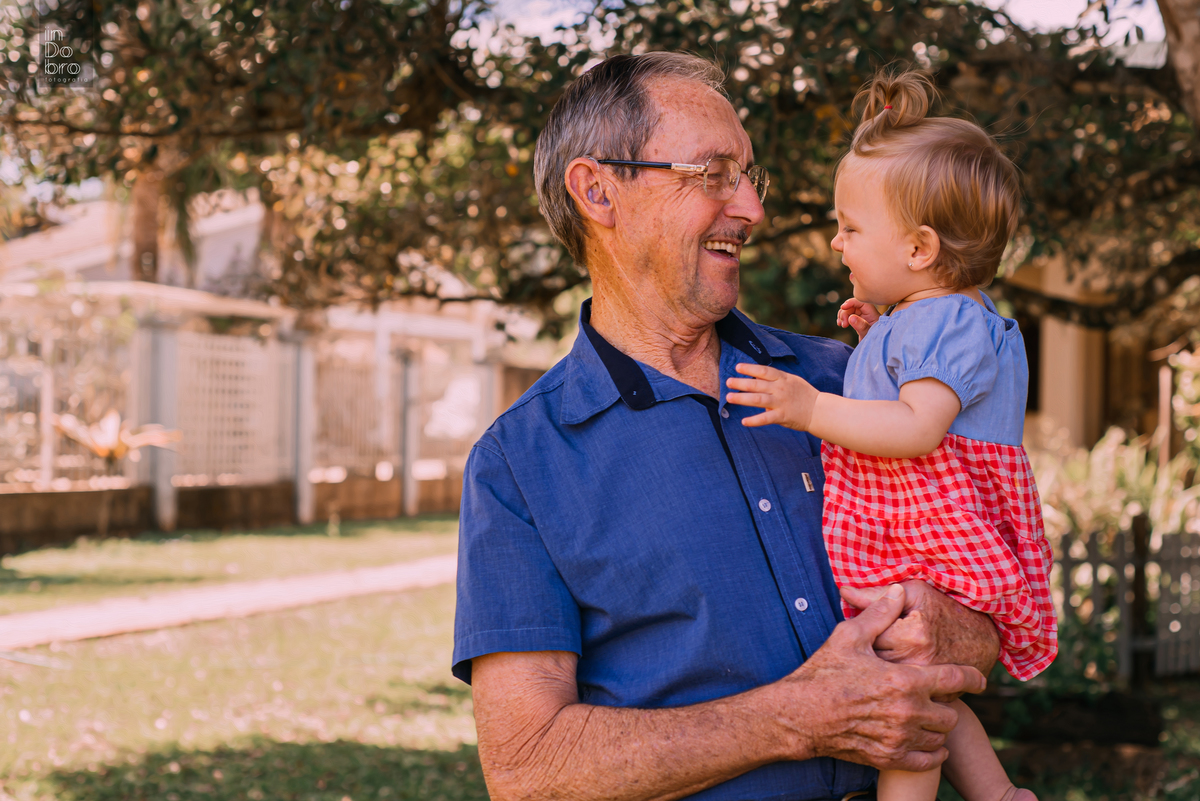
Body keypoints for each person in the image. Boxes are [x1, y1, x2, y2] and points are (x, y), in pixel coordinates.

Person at [453, 52, 1000, 801]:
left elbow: (998, 592)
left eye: (749, 176)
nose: (751, 209)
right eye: (713, 174)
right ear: (598, 191)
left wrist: (947, 624)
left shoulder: (856, 384)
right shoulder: (522, 461)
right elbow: (529, 767)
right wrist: (797, 717)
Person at [725, 70, 1055, 801]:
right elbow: (923, 389)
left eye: (851, 225)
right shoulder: (933, 316)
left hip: (933, 520)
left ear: (919, 247)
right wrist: (882, 338)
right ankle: (998, 793)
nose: (836, 238)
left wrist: (810, 408)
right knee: (924, 684)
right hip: (923, 514)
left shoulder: (949, 320)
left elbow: (916, 426)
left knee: (907, 691)